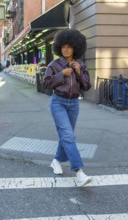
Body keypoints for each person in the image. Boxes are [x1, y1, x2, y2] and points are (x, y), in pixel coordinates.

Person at [43, 29, 92, 187]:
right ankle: (79, 172)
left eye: (69, 47)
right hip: (58, 102)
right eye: (63, 46)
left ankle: (56, 161)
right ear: (59, 48)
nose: (66, 49)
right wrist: (61, 75)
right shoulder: (54, 65)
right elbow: (46, 84)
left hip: (74, 104)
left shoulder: (81, 65)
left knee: (66, 136)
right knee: (68, 136)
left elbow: (86, 86)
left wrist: (78, 72)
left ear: (75, 48)